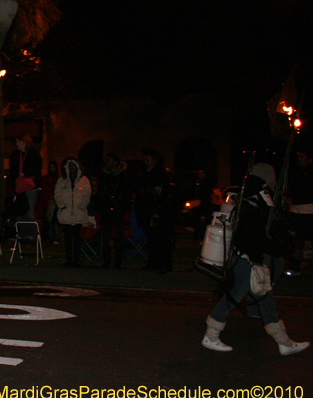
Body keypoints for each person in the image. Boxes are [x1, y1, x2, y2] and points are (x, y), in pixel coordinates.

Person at [201, 163, 309, 355]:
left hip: (250, 260)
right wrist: (285, 249)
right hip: (247, 261)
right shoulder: (252, 206)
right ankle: (211, 335)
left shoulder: (253, 202)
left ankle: (283, 343)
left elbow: (266, 232)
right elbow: (256, 239)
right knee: (233, 298)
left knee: (265, 300)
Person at [134, 148, 177, 274]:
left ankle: (165, 264)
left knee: (162, 239)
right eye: (145, 160)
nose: (146, 162)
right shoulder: (144, 173)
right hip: (149, 211)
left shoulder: (163, 173)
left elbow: (167, 193)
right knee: (152, 239)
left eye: (148, 160)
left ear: (155, 160)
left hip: (159, 212)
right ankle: (154, 262)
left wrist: (164, 208)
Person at [54, 156, 91, 267]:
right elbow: (57, 194)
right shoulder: (62, 180)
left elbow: (87, 195)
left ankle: (76, 260)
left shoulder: (84, 180)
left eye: (74, 165)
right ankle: (69, 260)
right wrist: (62, 206)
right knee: (68, 239)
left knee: (77, 239)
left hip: (78, 214)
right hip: (66, 215)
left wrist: (81, 206)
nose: (72, 168)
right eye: (69, 166)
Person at [97, 153, 130, 268]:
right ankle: (106, 260)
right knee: (106, 237)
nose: (107, 163)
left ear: (115, 162)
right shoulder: (105, 176)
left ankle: (118, 261)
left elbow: (125, 194)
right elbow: (101, 192)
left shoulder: (122, 176)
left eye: (109, 161)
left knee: (119, 237)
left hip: (118, 211)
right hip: (106, 211)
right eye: (106, 161)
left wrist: (121, 207)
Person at [286, 150, 313, 275]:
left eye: (303, 156)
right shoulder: (296, 173)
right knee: (296, 240)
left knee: (305, 239)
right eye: (299, 156)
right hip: (296, 210)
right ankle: (295, 266)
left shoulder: (310, 173)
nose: (299, 159)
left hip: (309, 210)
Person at [8, 135, 43, 223]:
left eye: (18, 142)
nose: (16, 144)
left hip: (31, 186)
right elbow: (12, 170)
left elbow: (36, 168)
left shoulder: (34, 154)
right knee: (20, 209)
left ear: (24, 143)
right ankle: (21, 233)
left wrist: (25, 173)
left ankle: (30, 233)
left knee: (29, 210)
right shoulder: (15, 155)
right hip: (19, 186)